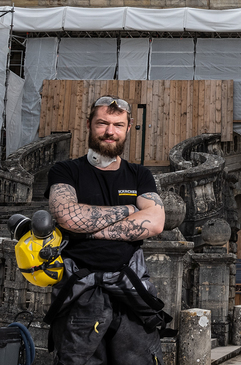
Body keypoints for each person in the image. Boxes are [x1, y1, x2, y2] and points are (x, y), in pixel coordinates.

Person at [45, 95, 169, 365]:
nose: (110, 131)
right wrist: (129, 210)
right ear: (89, 124)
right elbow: (67, 217)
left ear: (128, 127)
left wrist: (86, 228)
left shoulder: (139, 175)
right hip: (79, 292)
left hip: (131, 292)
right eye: (102, 123)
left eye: (118, 125)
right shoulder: (66, 171)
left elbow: (157, 222)